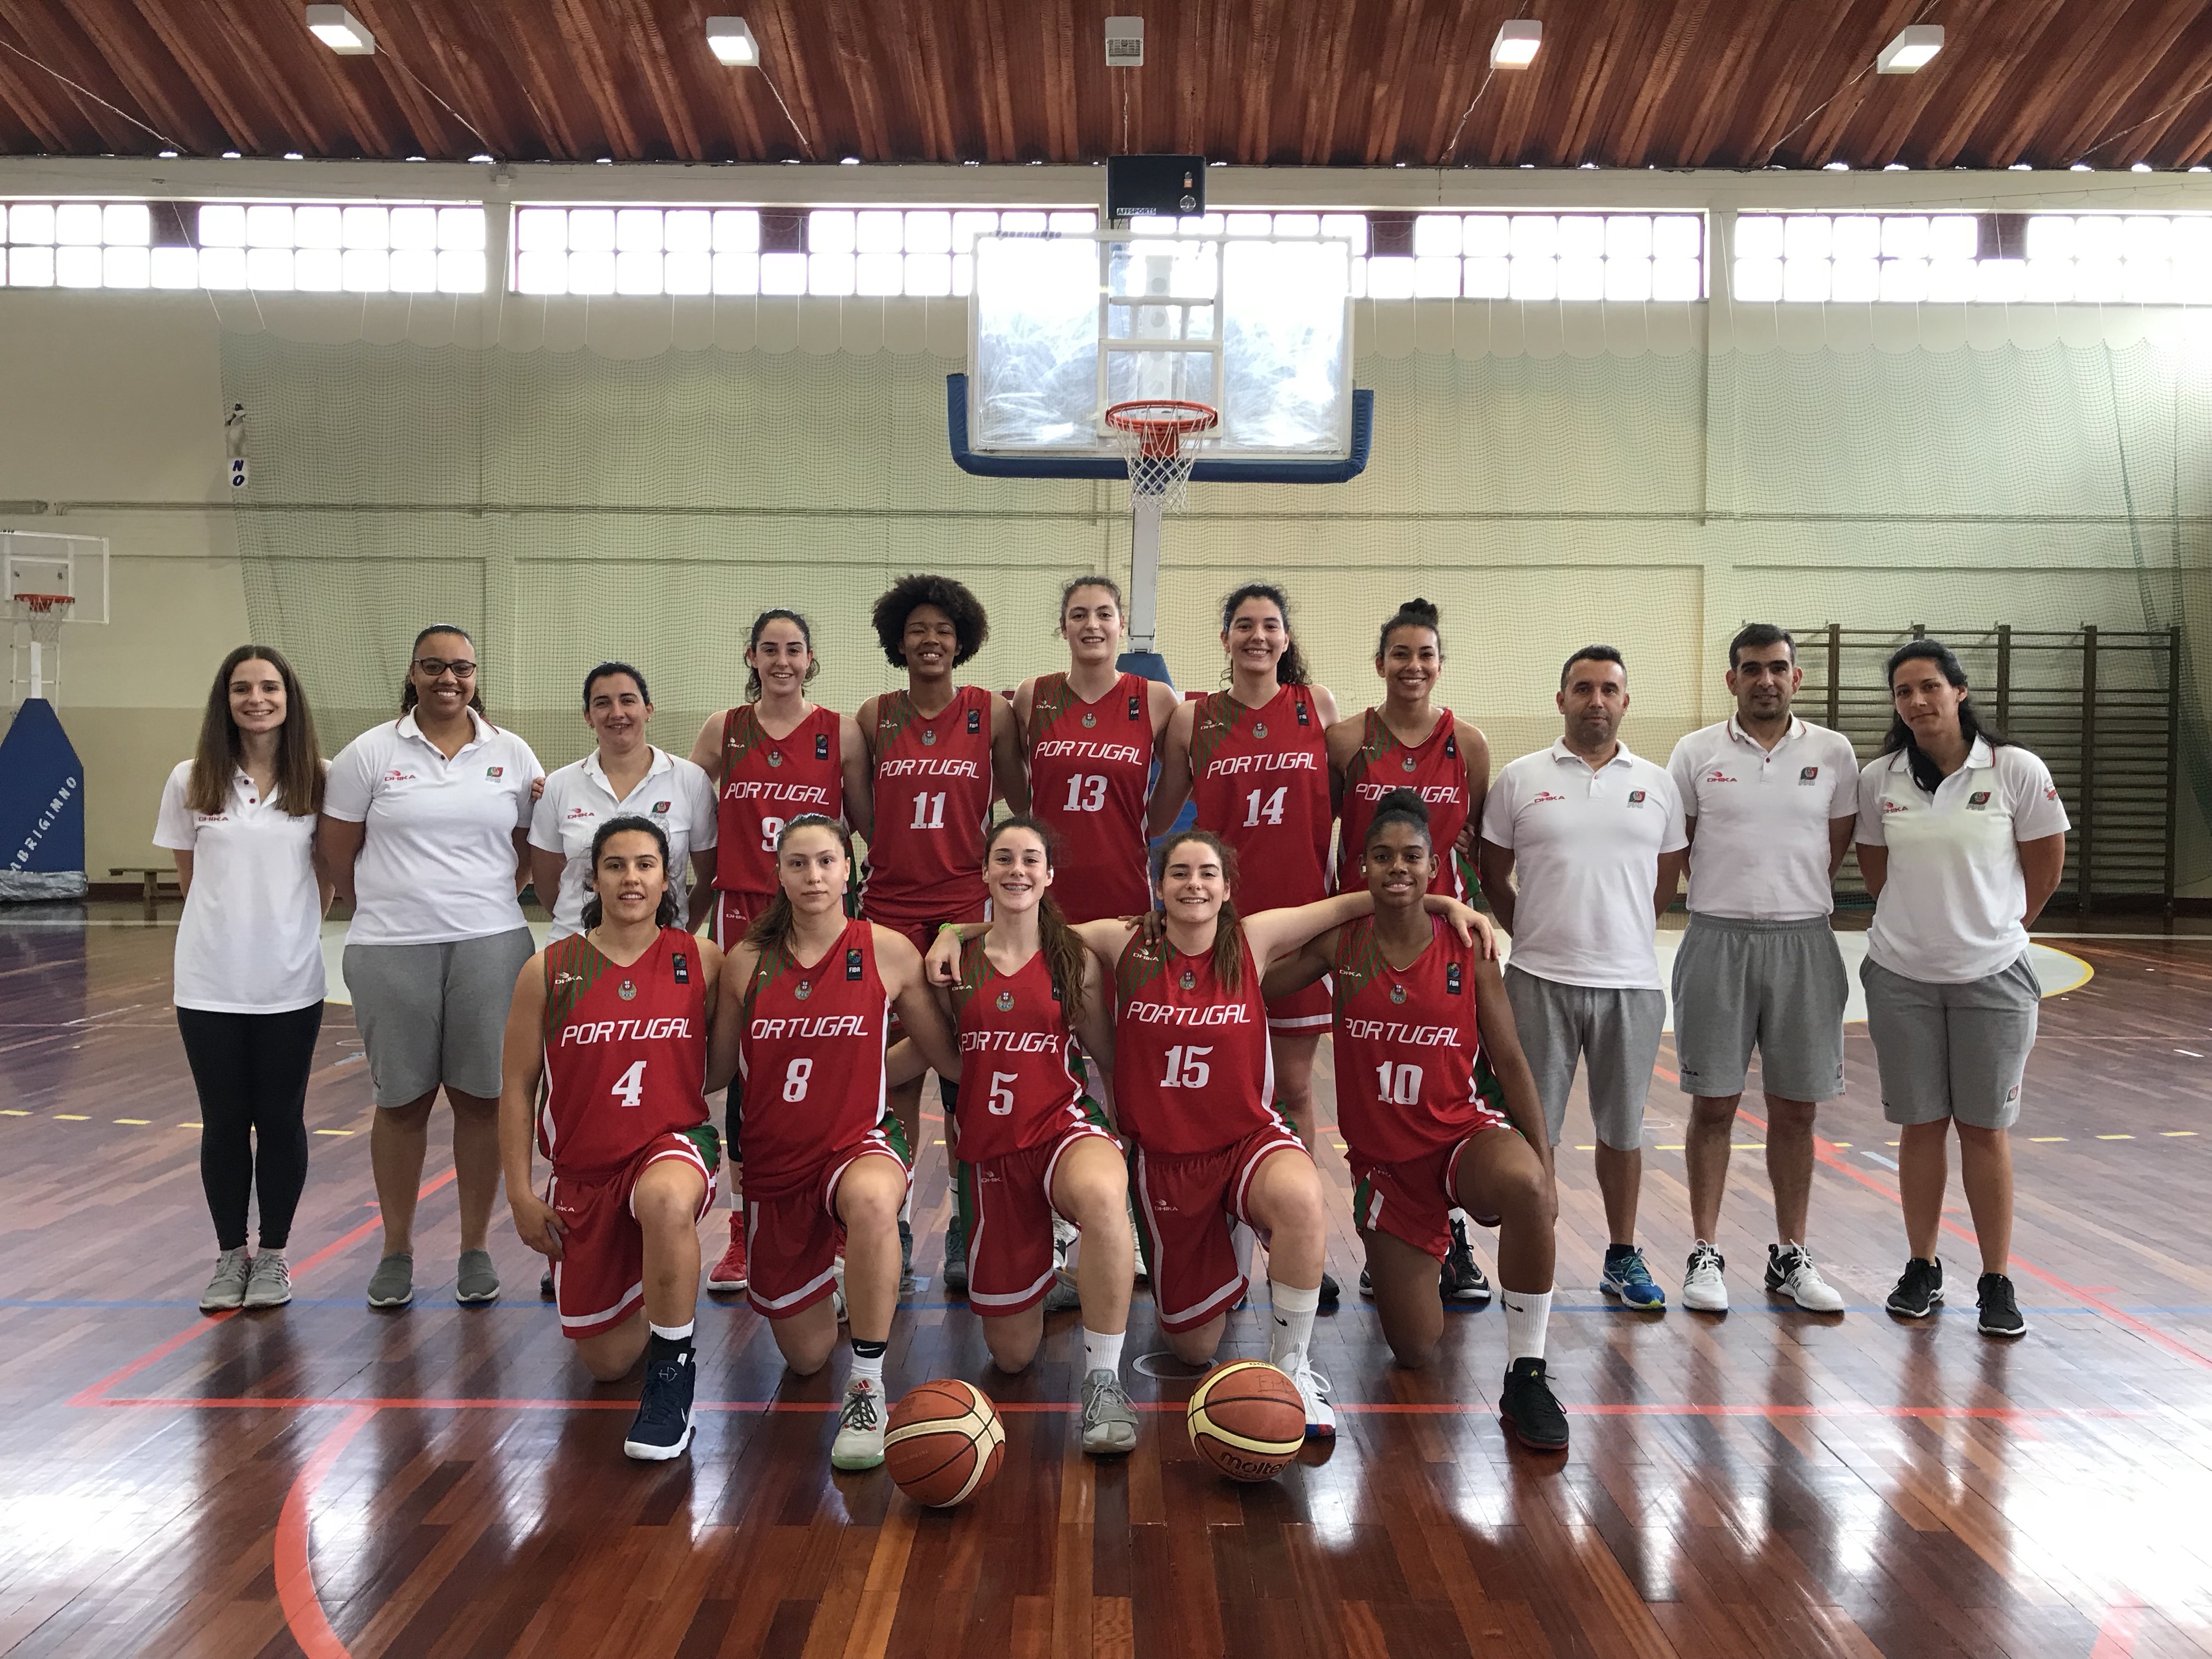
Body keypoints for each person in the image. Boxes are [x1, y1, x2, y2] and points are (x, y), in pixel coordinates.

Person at [931, 829, 1494, 1438]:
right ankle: (1219, 1235)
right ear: (1158, 886)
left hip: (1246, 1141)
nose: (1193, 884)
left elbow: (1349, 903)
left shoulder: (1252, 938)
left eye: (1207, 873)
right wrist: (952, 933)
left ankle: (1292, 1369)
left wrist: (1442, 903)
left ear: (1227, 889)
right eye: (1179, 873)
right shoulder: (1125, 942)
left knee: (1303, 1196)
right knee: (1192, 1348)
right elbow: (1027, 922)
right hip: (1170, 1163)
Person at [1264, 792, 1565, 1451]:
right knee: (1416, 1351)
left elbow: (1512, 1062)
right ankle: (1434, 1246)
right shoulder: (1343, 944)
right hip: (1387, 1169)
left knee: (1525, 1187)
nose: (1397, 867)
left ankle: (1527, 1374)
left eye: (1411, 857)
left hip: (1461, 1138)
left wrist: (1546, 1167)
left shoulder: (1466, 947)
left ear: (1434, 867)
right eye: (1382, 856)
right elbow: (1256, 984)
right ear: (1362, 868)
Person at [704, 816, 961, 1471]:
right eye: (798, 864)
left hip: (859, 1141)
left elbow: (942, 1056)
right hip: (775, 1162)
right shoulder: (746, 962)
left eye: (826, 861)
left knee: (874, 1201)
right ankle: (842, 1282)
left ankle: (868, 1386)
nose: (813, 876)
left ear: (849, 869)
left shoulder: (887, 951)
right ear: (779, 874)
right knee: (807, 1355)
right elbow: (716, 1071)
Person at [321, 624, 544, 1311]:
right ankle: (397, 1250)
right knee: (402, 1101)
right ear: (413, 674)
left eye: (462, 668)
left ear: (476, 676)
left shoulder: (510, 752)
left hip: (491, 946)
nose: (449, 679)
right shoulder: (369, 752)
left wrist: (485, 902)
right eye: (434, 667)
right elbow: (337, 852)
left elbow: (526, 847)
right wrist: (388, 906)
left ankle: (475, 1249)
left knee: (482, 1100)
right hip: (391, 948)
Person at [1855, 640, 2067, 1339]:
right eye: (1904, 692)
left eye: (1929, 687)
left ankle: (1996, 1280)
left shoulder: (2015, 770)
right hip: (1902, 979)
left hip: (1994, 980)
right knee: (1921, 1126)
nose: (1918, 701)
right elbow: (1878, 874)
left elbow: (2045, 871)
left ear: (1959, 691)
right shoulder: (1879, 778)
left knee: (1983, 1129)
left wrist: (1994, 931)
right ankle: (1923, 1266)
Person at [498, 817, 723, 1460]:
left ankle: (673, 1375)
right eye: (616, 865)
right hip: (586, 1173)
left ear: (667, 879)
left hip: (673, 1144)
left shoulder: (700, 959)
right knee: (607, 1362)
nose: (632, 878)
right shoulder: (548, 970)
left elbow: (724, 1060)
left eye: (646, 865)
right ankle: (658, 1292)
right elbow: (517, 1087)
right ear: (592, 879)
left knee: (665, 1199)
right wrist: (519, 1194)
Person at [918, 816, 1141, 1454]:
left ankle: (1103, 1380)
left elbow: (1108, 1054)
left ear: (1048, 875)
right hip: (990, 1150)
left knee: (1103, 1197)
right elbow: (932, 1051)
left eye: (1030, 860)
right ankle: (1058, 1279)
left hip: (1063, 1127)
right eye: (1004, 859)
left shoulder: (1073, 959)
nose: (1017, 870)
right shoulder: (954, 964)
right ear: (985, 872)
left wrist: (1130, 1134)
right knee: (1013, 1357)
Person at [1478, 646, 1688, 1311]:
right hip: (1537, 980)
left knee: (1622, 1132)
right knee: (1532, 1130)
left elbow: (1665, 882)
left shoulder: (1658, 784)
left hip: (1632, 985)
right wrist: (1535, 930)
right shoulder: (1519, 778)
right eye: (1583, 688)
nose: (1596, 700)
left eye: (1608, 689)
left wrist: (1619, 933)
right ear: (1561, 698)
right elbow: (1491, 874)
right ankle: (1530, 1253)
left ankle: (1622, 1255)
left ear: (1625, 701)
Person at [1150, 583, 1342, 1305]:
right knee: (1216, 1091)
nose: (1257, 636)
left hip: (1298, 930)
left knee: (1292, 1088)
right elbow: (1159, 817)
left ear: (1286, 639)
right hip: (1219, 934)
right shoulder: (1194, 718)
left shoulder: (1317, 707)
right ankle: (1211, 1234)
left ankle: (1298, 1239)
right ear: (1225, 638)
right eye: (1244, 626)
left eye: (1270, 626)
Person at [1665, 624, 1860, 1314]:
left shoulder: (1834, 753)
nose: (1766, 680)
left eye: (1778, 668)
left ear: (1796, 678)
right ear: (1733, 680)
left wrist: (1785, 899)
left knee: (1797, 1108)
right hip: (1716, 938)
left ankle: (1791, 1253)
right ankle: (1705, 1250)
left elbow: (1833, 846)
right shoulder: (1695, 752)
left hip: (1804, 940)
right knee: (1713, 1104)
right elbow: (1681, 846)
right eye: (1752, 669)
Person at [687, 609, 872, 1300]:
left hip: (820, 914)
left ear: (810, 658)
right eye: (770, 650)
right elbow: (672, 797)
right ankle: (743, 1229)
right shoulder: (724, 729)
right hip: (744, 913)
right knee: (747, 1071)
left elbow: (866, 822)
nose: (782, 661)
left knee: (831, 1061)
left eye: (794, 649)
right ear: (752, 657)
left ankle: (840, 1222)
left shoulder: (840, 733)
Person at [856, 574, 1026, 1294]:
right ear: (898, 641)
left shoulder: (991, 713)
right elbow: (865, 814)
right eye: (918, 630)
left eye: (944, 631)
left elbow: (1017, 797)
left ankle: (965, 1221)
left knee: (967, 1075)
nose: (930, 641)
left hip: (964, 908)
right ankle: (893, 1223)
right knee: (896, 1077)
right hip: (890, 908)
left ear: (963, 641)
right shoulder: (874, 716)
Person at [156, 645, 333, 1314]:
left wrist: (288, 932)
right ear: (224, 701)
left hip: (290, 983)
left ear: (289, 698)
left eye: (269, 687)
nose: (256, 699)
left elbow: (327, 876)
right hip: (208, 982)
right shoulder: (190, 778)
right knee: (224, 1121)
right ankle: (231, 1254)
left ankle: (275, 1256)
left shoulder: (321, 779)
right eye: (241, 688)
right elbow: (190, 879)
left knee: (281, 1119)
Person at [1330, 596, 1494, 1304]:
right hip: (1365, 939)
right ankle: (1384, 1232)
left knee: (1444, 1091)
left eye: (1426, 654)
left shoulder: (1469, 745)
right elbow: (1323, 834)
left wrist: (1464, 911)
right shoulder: (1346, 740)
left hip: (1441, 941)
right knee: (1376, 1092)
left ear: (1440, 664)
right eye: (1401, 654)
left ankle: (1448, 1233)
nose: (1413, 665)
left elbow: (1469, 844)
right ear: (1380, 663)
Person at [1013, 575, 1178, 925]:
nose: (1092, 625)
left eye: (1104, 614)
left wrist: (1138, 824)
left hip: (1124, 888)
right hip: (1045, 888)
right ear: (1064, 627)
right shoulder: (1033, 696)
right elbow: (1016, 787)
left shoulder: (1155, 698)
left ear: (1122, 625)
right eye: (1079, 615)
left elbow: (1178, 787)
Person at [531, 662, 716, 942]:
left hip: (663, 947)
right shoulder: (558, 786)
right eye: (602, 703)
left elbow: (708, 878)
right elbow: (546, 883)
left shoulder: (691, 781)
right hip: (576, 944)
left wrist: (676, 936)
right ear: (588, 716)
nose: (617, 713)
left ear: (648, 710)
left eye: (628, 700)